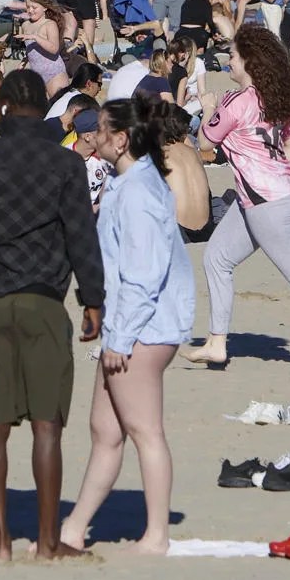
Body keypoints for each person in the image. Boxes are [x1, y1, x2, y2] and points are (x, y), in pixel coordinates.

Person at [0, 69, 104, 561]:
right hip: (45, 303)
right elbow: (80, 237)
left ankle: (0, 543)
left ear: (4, 105)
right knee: (47, 426)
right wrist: (93, 299)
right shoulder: (65, 164)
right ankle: (48, 543)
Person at [59, 98, 193, 554]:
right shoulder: (130, 183)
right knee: (104, 430)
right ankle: (73, 529)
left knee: (144, 432)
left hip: (146, 329)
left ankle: (157, 534)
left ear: (121, 139)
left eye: (99, 129)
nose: (93, 136)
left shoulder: (137, 191)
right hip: (131, 324)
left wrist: (121, 336)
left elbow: (143, 273)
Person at [187, 26, 290, 366]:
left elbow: (206, 144)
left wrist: (208, 106)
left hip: (267, 204)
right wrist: (274, 171)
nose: (229, 62)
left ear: (249, 62)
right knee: (217, 258)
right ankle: (217, 342)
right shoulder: (275, 96)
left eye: (233, 57)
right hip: (264, 198)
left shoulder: (236, 101)